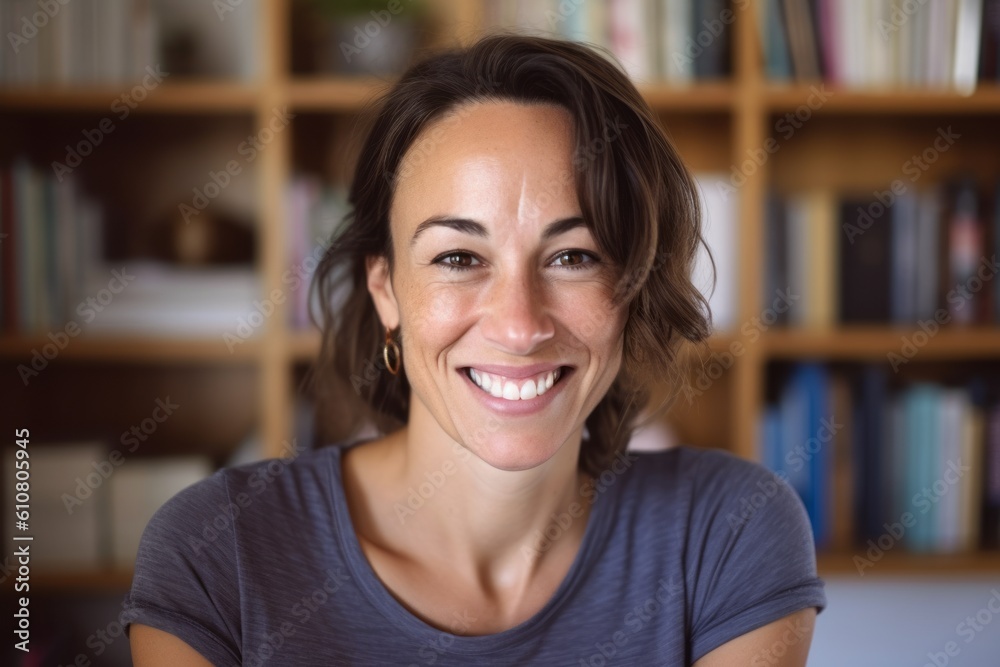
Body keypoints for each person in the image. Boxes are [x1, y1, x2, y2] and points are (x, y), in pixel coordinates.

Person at [124, 33, 826, 666]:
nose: (519, 326)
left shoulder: (729, 531)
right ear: (386, 288)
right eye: (459, 258)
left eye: (574, 255)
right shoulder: (215, 553)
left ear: (633, 285)